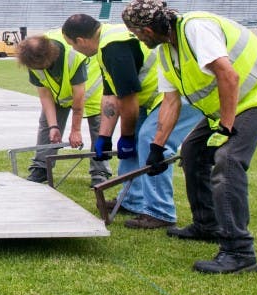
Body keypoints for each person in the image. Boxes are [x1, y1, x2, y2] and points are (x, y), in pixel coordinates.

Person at [122, 0, 257, 274]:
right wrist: (157, 146)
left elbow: (229, 75)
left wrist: (226, 128)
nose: (139, 39)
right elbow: (170, 101)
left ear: (147, 31)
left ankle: (239, 252)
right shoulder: (166, 52)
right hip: (232, 104)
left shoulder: (195, 28)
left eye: (137, 35)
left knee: (227, 161)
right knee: (192, 151)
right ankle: (207, 225)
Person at [62, 13, 202, 229]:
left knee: (149, 141)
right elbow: (111, 95)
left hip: (178, 94)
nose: (74, 50)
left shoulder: (114, 47)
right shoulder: (105, 45)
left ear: (80, 41)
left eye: (72, 45)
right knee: (135, 142)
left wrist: (127, 137)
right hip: (154, 97)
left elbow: (128, 99)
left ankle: (160, 212)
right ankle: (132, 200)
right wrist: (105, 139)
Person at [16, 32, 110, 186]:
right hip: (59, 92)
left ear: (48, 59)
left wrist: (75, 130)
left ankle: (100, 171)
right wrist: (54, 126)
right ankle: (41, 167)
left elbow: (78, 101)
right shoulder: (31, 58)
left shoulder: (73, 57)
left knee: (99, 128)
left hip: (92, 89)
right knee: (47, 125)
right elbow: (45, 95)